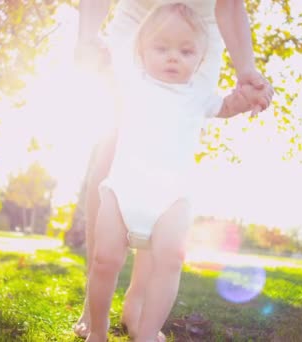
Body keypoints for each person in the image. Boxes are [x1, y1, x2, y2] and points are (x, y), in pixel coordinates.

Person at [73, 0, 274, 340]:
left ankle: (143, 320)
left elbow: (224, 104)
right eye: (165, 52)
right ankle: (97, 321)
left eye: (182, 55)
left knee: (170, 253)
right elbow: (106, 68)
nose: (172, 59)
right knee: (106, 251)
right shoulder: (129, 77)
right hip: (138, 20)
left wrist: (248, 85)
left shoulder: (197, 86)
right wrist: (89, 41)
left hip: (200, 26)